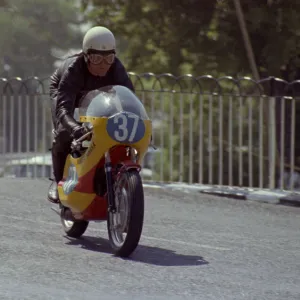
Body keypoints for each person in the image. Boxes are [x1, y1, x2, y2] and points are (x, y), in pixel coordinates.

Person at [47, 26, 135, 203]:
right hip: (66, 92)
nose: (103, 64)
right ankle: (58, 184)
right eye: (96, 58)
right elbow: (63, 110)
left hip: (96, 95)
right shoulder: (74, 70)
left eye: (108, 58)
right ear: (86, 56)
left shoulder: (116, 68)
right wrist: (74, 128)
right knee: (64, 133)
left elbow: (130, 102)